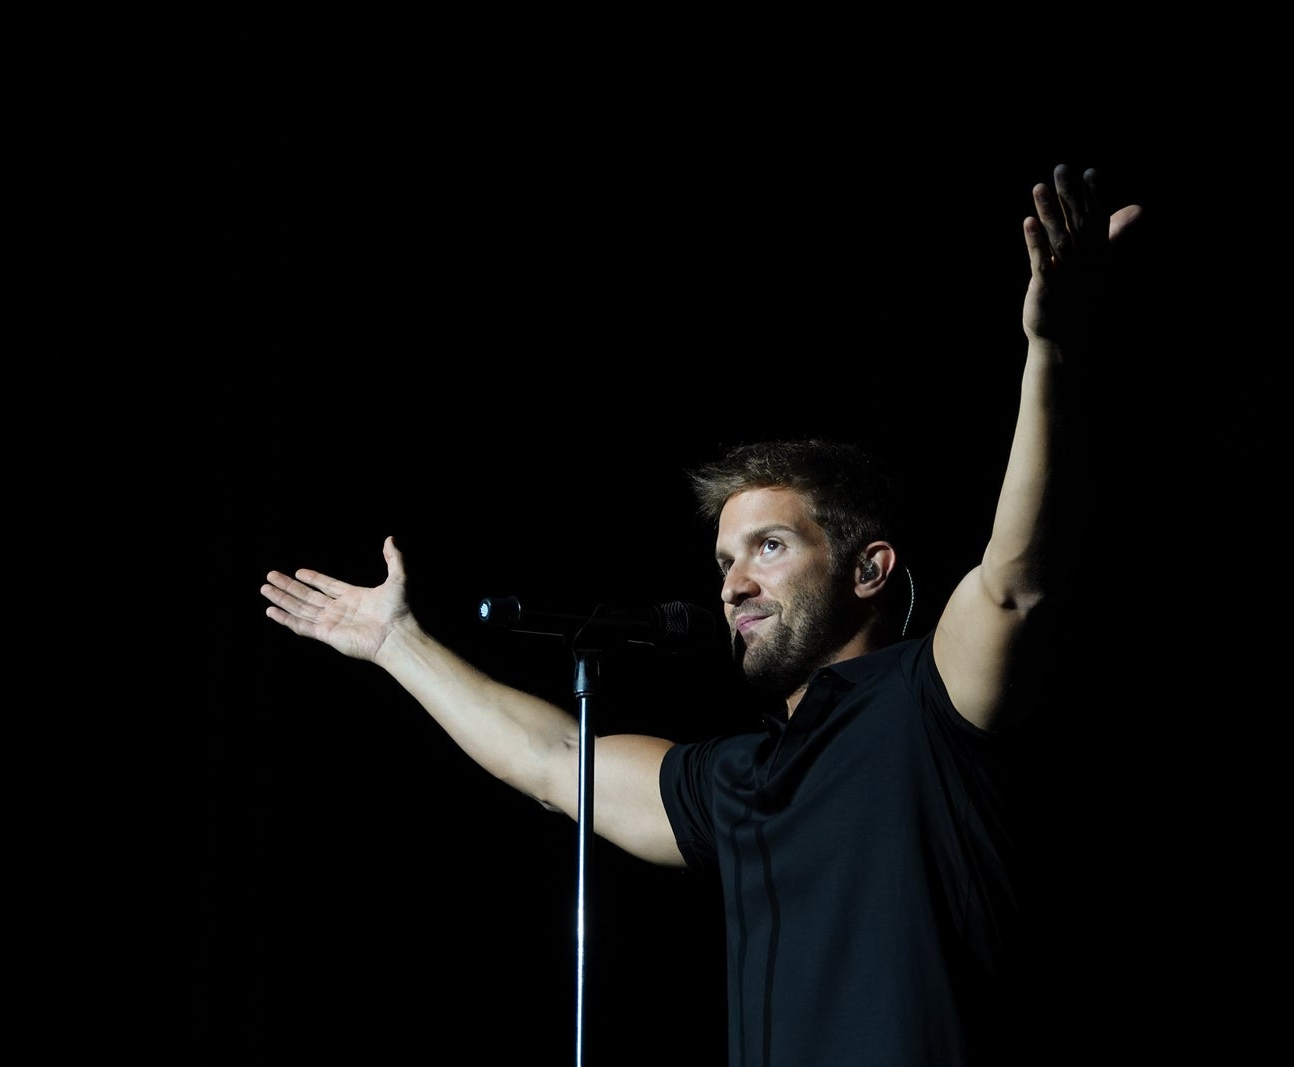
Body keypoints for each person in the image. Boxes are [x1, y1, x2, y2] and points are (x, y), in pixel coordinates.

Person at [260, 163, 1143, 1065]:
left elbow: (1015, 583)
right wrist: (396, 644)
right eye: (724, 560)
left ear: (869, 568)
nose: (732, 584)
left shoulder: (933, 700)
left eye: (768, 547)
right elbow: (557, 760)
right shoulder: (744, 777)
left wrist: (1053, 352)